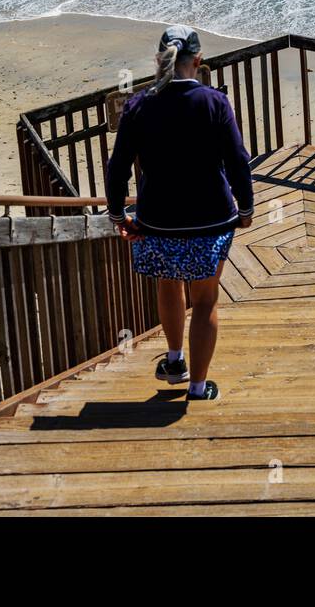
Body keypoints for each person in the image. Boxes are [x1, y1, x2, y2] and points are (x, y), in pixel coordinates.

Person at [105, 25, 254, 400]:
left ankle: (174, 361)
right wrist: (247, 207)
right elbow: (238, 161)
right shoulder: (215, 102)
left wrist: (118, 216)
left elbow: (118, 166)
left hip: (157, 219)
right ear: (199, 62)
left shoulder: (139, 105)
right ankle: (199, 388)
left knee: (168, 283)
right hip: (211, 218)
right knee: (205, 301)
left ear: (158, 61)